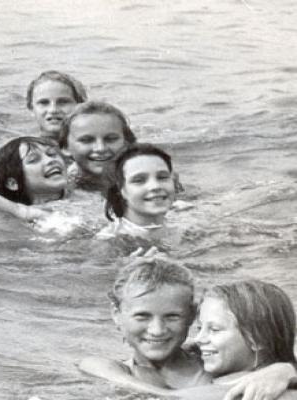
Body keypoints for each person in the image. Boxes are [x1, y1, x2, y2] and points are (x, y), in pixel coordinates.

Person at [79, 259, 297, 400]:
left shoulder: (219, 364)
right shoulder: (110, 369)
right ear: (116, 314)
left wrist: (285, 371)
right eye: (142, 316)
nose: (156, 330)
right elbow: (90, 364)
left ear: (192, 314)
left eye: (172, 316)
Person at [96, 143, 176, 240]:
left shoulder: (185, 221)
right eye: (139, 180)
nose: (155, 186)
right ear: (120, 190)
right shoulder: (108, 240)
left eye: (162, 177)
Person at [59, 101, 137, 191]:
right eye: (87, 140)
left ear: (127, 143)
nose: (101, 148)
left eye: (111, 139)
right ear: (65, 147)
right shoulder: (60, 188)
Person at [25, 70, 87, 140]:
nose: (53, 110)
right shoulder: (21, 149)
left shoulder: (98, 148)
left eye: (63, 102)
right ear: (31, 108)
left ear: (80, 106)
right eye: (44, 102)